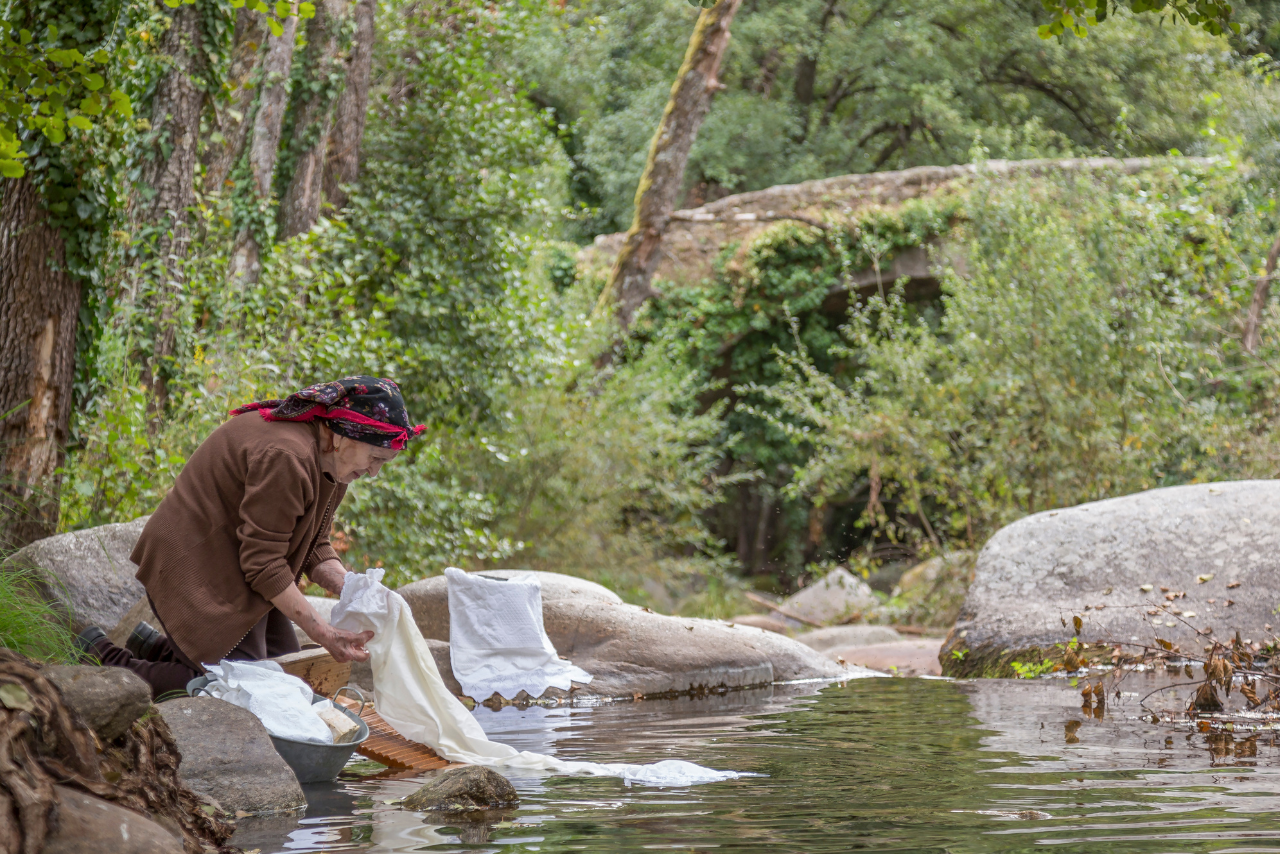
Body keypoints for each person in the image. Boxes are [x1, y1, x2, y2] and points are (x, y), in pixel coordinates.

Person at [76, 376, 424, 699]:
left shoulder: (334, 463)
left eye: (385, 462)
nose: (374, 472)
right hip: (194, 560)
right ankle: (100, 656)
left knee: (283, 671)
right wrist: (323, 632)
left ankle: (154, 648)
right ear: (346, 434)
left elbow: (314, 544)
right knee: (240, 689)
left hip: (235, 563)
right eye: (376, 458)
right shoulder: (288, 455)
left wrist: (354, 589)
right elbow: (263, 564)